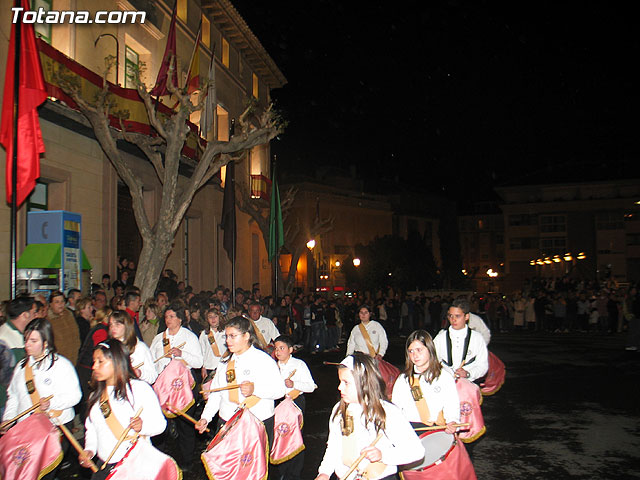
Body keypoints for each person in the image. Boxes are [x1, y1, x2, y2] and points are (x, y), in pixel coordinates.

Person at [315, 353, 424, 480]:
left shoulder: (387, 412)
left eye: (346, 382)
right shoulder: (339, 411)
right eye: (340, 381)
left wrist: (383, 455)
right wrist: (324, 472)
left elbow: (416, 451)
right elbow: (334, 446)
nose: (340, 387)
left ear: (364, 382)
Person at [2, 318, 82, 480]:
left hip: (53, 429)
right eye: (26, 340)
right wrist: (9, 418)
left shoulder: (61, 365)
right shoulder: (21, 367)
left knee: (43, 474)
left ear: (45, 342)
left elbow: (75, 395)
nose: (27, 345)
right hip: (25, 429)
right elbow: (14, 397)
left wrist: (52, 403)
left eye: (33, 341)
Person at [392, 330, 476, 479]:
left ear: (429, 349)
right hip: (411, 433)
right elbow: (396, 410)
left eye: (419, 350)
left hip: (437, 430)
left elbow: (451, 404)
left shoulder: (443, 376)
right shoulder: (403, 380)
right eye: (411, 351)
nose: (415, 355)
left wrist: (452, 421)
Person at [79, 339, 167, 478]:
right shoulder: (95, 395)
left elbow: (160, 425)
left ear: (116, 361)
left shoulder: (139, 389)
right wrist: (89, 449)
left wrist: (142, 426)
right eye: (94, 361)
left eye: (100, 361)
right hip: (105, 466)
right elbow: (92, 428)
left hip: (134, 466)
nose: (94, 366)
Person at [196, 316, 286, 451]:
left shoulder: (263, 360)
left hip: (257, 421)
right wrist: (206, 417)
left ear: (246, 336)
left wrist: (255, 389)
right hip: (228, 421)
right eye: (226, 336)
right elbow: (216, 393)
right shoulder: (225, 361)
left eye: (232, 336)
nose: (228, 341)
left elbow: (279, 391)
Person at [149, 302, 203, 470]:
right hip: (163, 387)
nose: (168, 320)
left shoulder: (189, 337)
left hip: (183, 386)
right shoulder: (159, 338)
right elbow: (151, 362)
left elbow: (198, 362)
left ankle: (186, 460)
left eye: (172, 316)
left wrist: (182, 354)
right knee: (160, 423)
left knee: (185, 424)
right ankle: (160, 459)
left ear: (180, 319)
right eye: (166, 317)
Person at [273, 334, 317, 480]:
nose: (278, 352)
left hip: (295, 404)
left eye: (282, 348)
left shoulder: (298, 365)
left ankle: (294, 473)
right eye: (276, 348)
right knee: (279, 437)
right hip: (278, 405)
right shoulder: (272, 366)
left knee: (294, 437)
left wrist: (294, 385)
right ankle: (282, 470)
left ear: (290, 349)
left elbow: (311, 386)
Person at [433, 298, 489, 382]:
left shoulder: (477, 338)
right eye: (450, 316)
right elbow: (432, 361)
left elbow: (482, 365)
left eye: (457, 316)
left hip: (469, 384)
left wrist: (468, 373)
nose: (453, 319)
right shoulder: (440, 337)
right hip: (445, 384)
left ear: (466, 316)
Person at [108, 310, 157, 385]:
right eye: (111, 324)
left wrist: (140, 373)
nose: (113, 328)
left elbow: (153, 376)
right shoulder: (108, 347)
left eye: (117, 324)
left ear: (127, 325)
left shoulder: (140, 347)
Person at [48, 291, 81, 365]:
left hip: (73, 357)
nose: (60, 304)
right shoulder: (48, 320)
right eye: (57, 302)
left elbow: (76, 335)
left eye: (62, 301)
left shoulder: (69, 315)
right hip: (58, 360)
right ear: (51, 304)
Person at [199, 308, 227, 383]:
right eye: (210, 317)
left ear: (219, 317)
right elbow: (202, 352)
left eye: (215, 316)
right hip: (209, 367)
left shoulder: (226, 332)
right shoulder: (204, 334)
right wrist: (203, 367)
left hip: (223, 366)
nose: (213, 319)